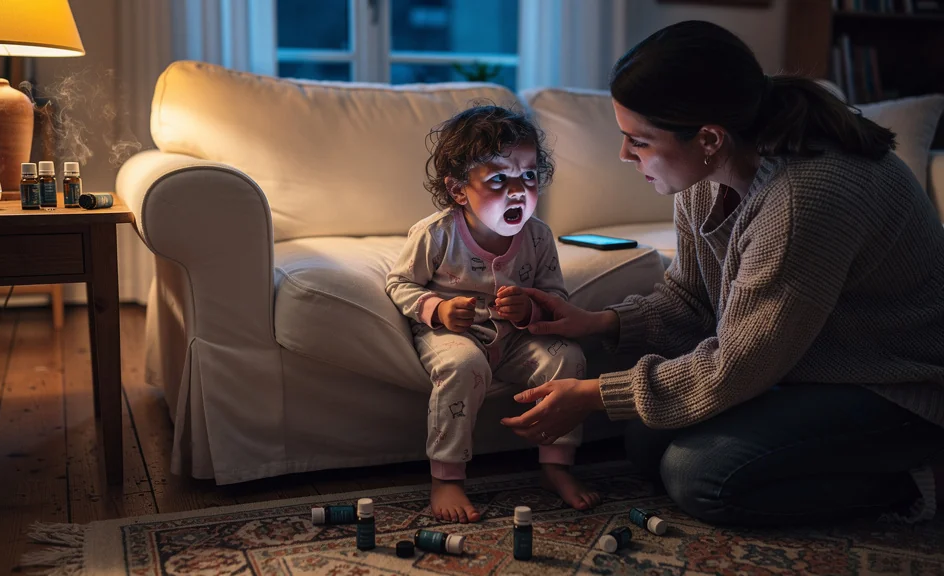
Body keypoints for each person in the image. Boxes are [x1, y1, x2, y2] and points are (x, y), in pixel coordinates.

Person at [501, 20, 944, 527]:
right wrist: (596, 323)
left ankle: (920, 476)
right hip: (805, 367)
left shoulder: (803, 198)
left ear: (709, 136)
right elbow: (693, 303)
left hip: (899, 382)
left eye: (639, 141)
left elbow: (740, 363)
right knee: (646, 443)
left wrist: (596, 394)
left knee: (701, 476)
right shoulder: (704, 175)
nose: (624, 155)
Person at [387, 105, 602, 523]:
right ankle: (447, 477)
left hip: (518, 337)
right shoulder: (436, 234)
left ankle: (556, 466)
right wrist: (440, 309)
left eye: (528, 176)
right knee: (462, 364)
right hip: (456, 336)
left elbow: (555, 294)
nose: (518, 190)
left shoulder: (538, 236)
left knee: (568, 357)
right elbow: (399, 284)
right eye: (499, 179)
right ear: (458, 191)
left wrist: (531, 305)